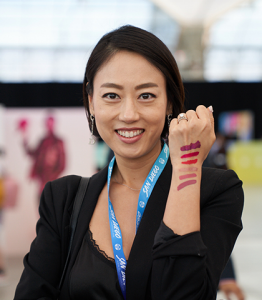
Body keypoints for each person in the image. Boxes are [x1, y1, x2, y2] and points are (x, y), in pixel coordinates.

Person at [14, 25, 244, 300]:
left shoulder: (215, 191)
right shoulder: (62, 199)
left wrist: (186, 166)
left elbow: (182, 294)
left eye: (146, 95)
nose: (129, 114)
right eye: (112, 95)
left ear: (169, 102)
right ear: (92, 103)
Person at [18, 115, 66, 200]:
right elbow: (32, 154)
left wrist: (50, 179)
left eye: (51, 124)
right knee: (41, 204)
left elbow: (62, 164)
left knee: (52, 204)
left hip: (52, 180)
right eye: (48, 124)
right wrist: (24, 137)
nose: (49, 126)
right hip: (42, 180)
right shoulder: (42, 141)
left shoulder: (59, 142)